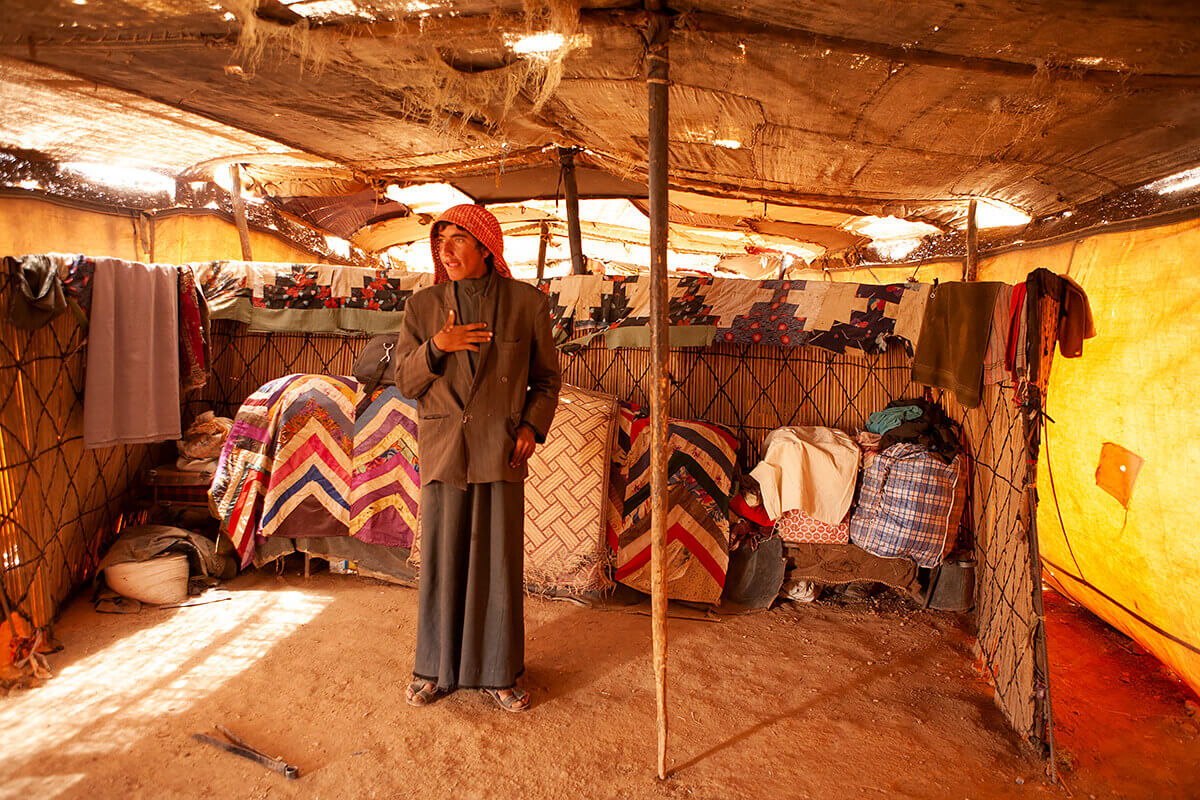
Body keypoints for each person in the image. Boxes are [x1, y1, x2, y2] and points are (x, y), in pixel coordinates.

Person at [394, 204, 561, 713]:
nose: (445, 250)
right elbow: (405, 380)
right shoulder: (423, 307)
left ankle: (499, 673)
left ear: (486, 247)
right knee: (442, 564)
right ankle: (434, 670)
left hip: (500, 449)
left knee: (497, 564)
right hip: (445, 449)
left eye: (458, 240)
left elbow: (547, 381)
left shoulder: (526, 303)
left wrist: (532, 424)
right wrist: (436, 347)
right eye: (440, 239)